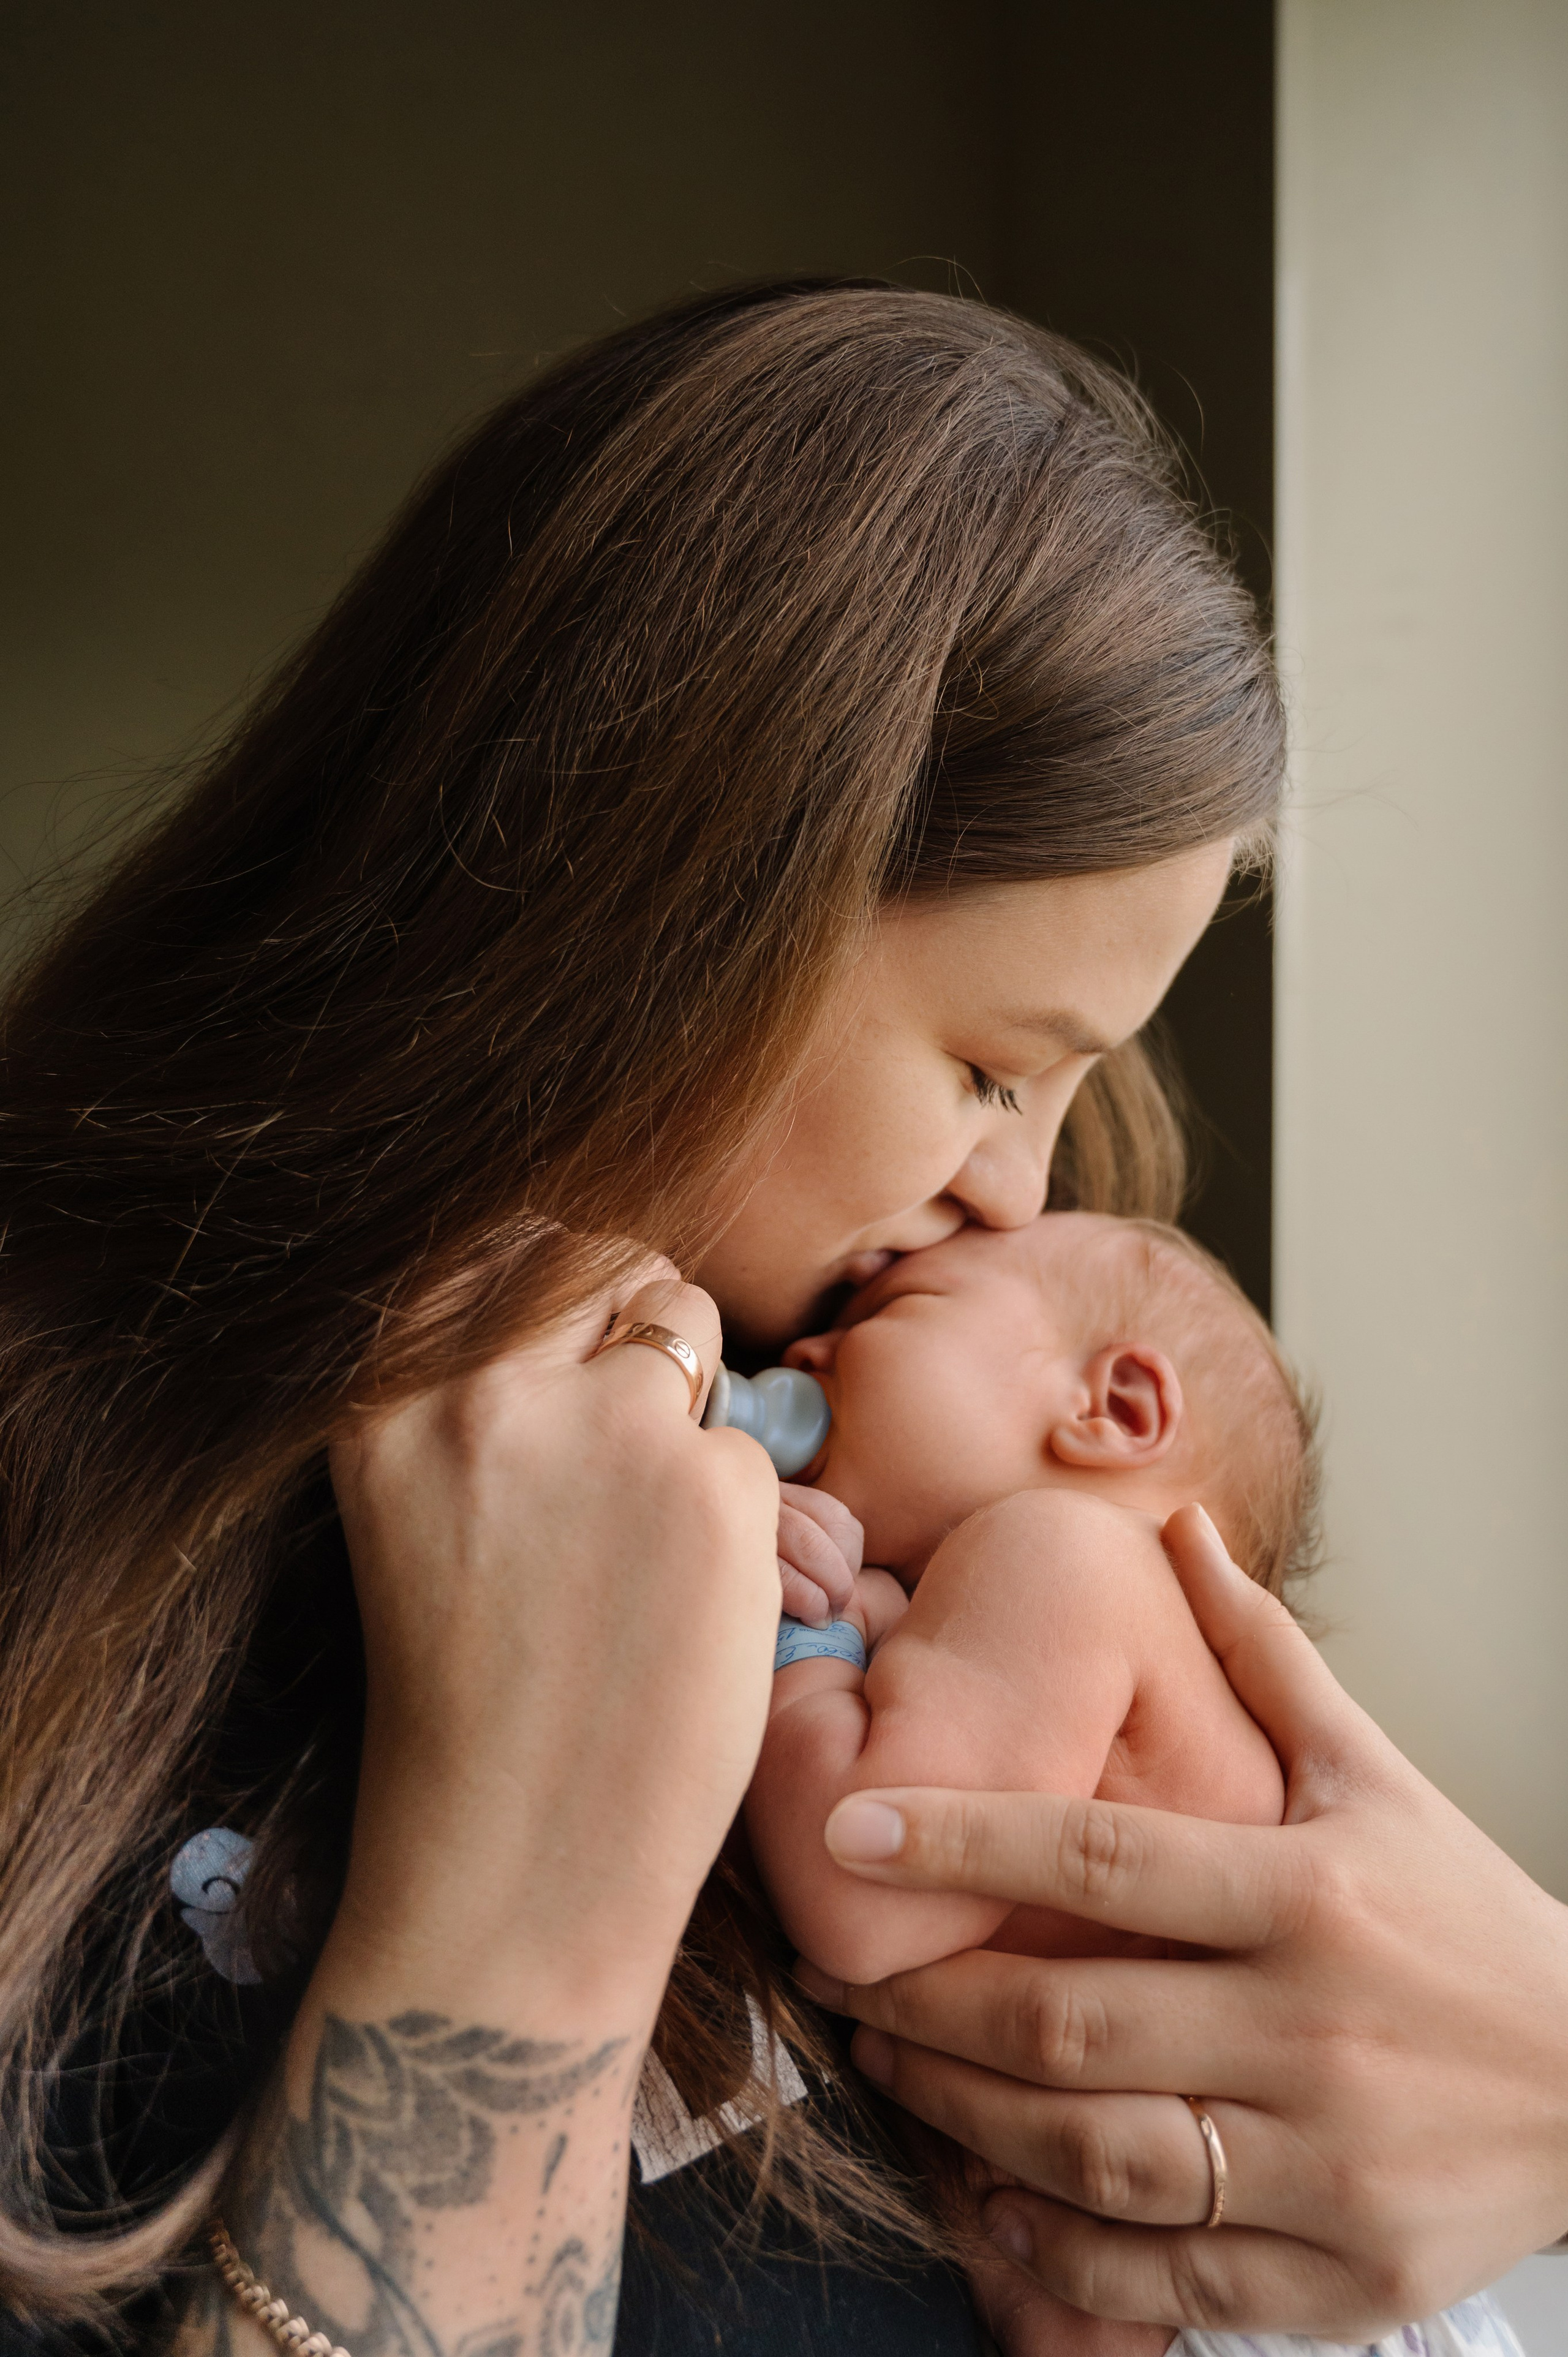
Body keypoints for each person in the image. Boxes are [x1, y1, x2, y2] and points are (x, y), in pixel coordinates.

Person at [0, 281, 1562, 2357]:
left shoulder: (945, 1425)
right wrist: (518, 1912)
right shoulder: (94, 1581)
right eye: (995, 1067)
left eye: (1079, 1082)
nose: (1025, 1190)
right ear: (663, 898)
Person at [742, 1209, 1520, 2357]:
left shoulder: (1059, 1553)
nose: (804, 1352)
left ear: (1113, 1409)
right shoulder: (1050, 1636)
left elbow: (863, 1885)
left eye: (890, 1315)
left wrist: (794, 1627)